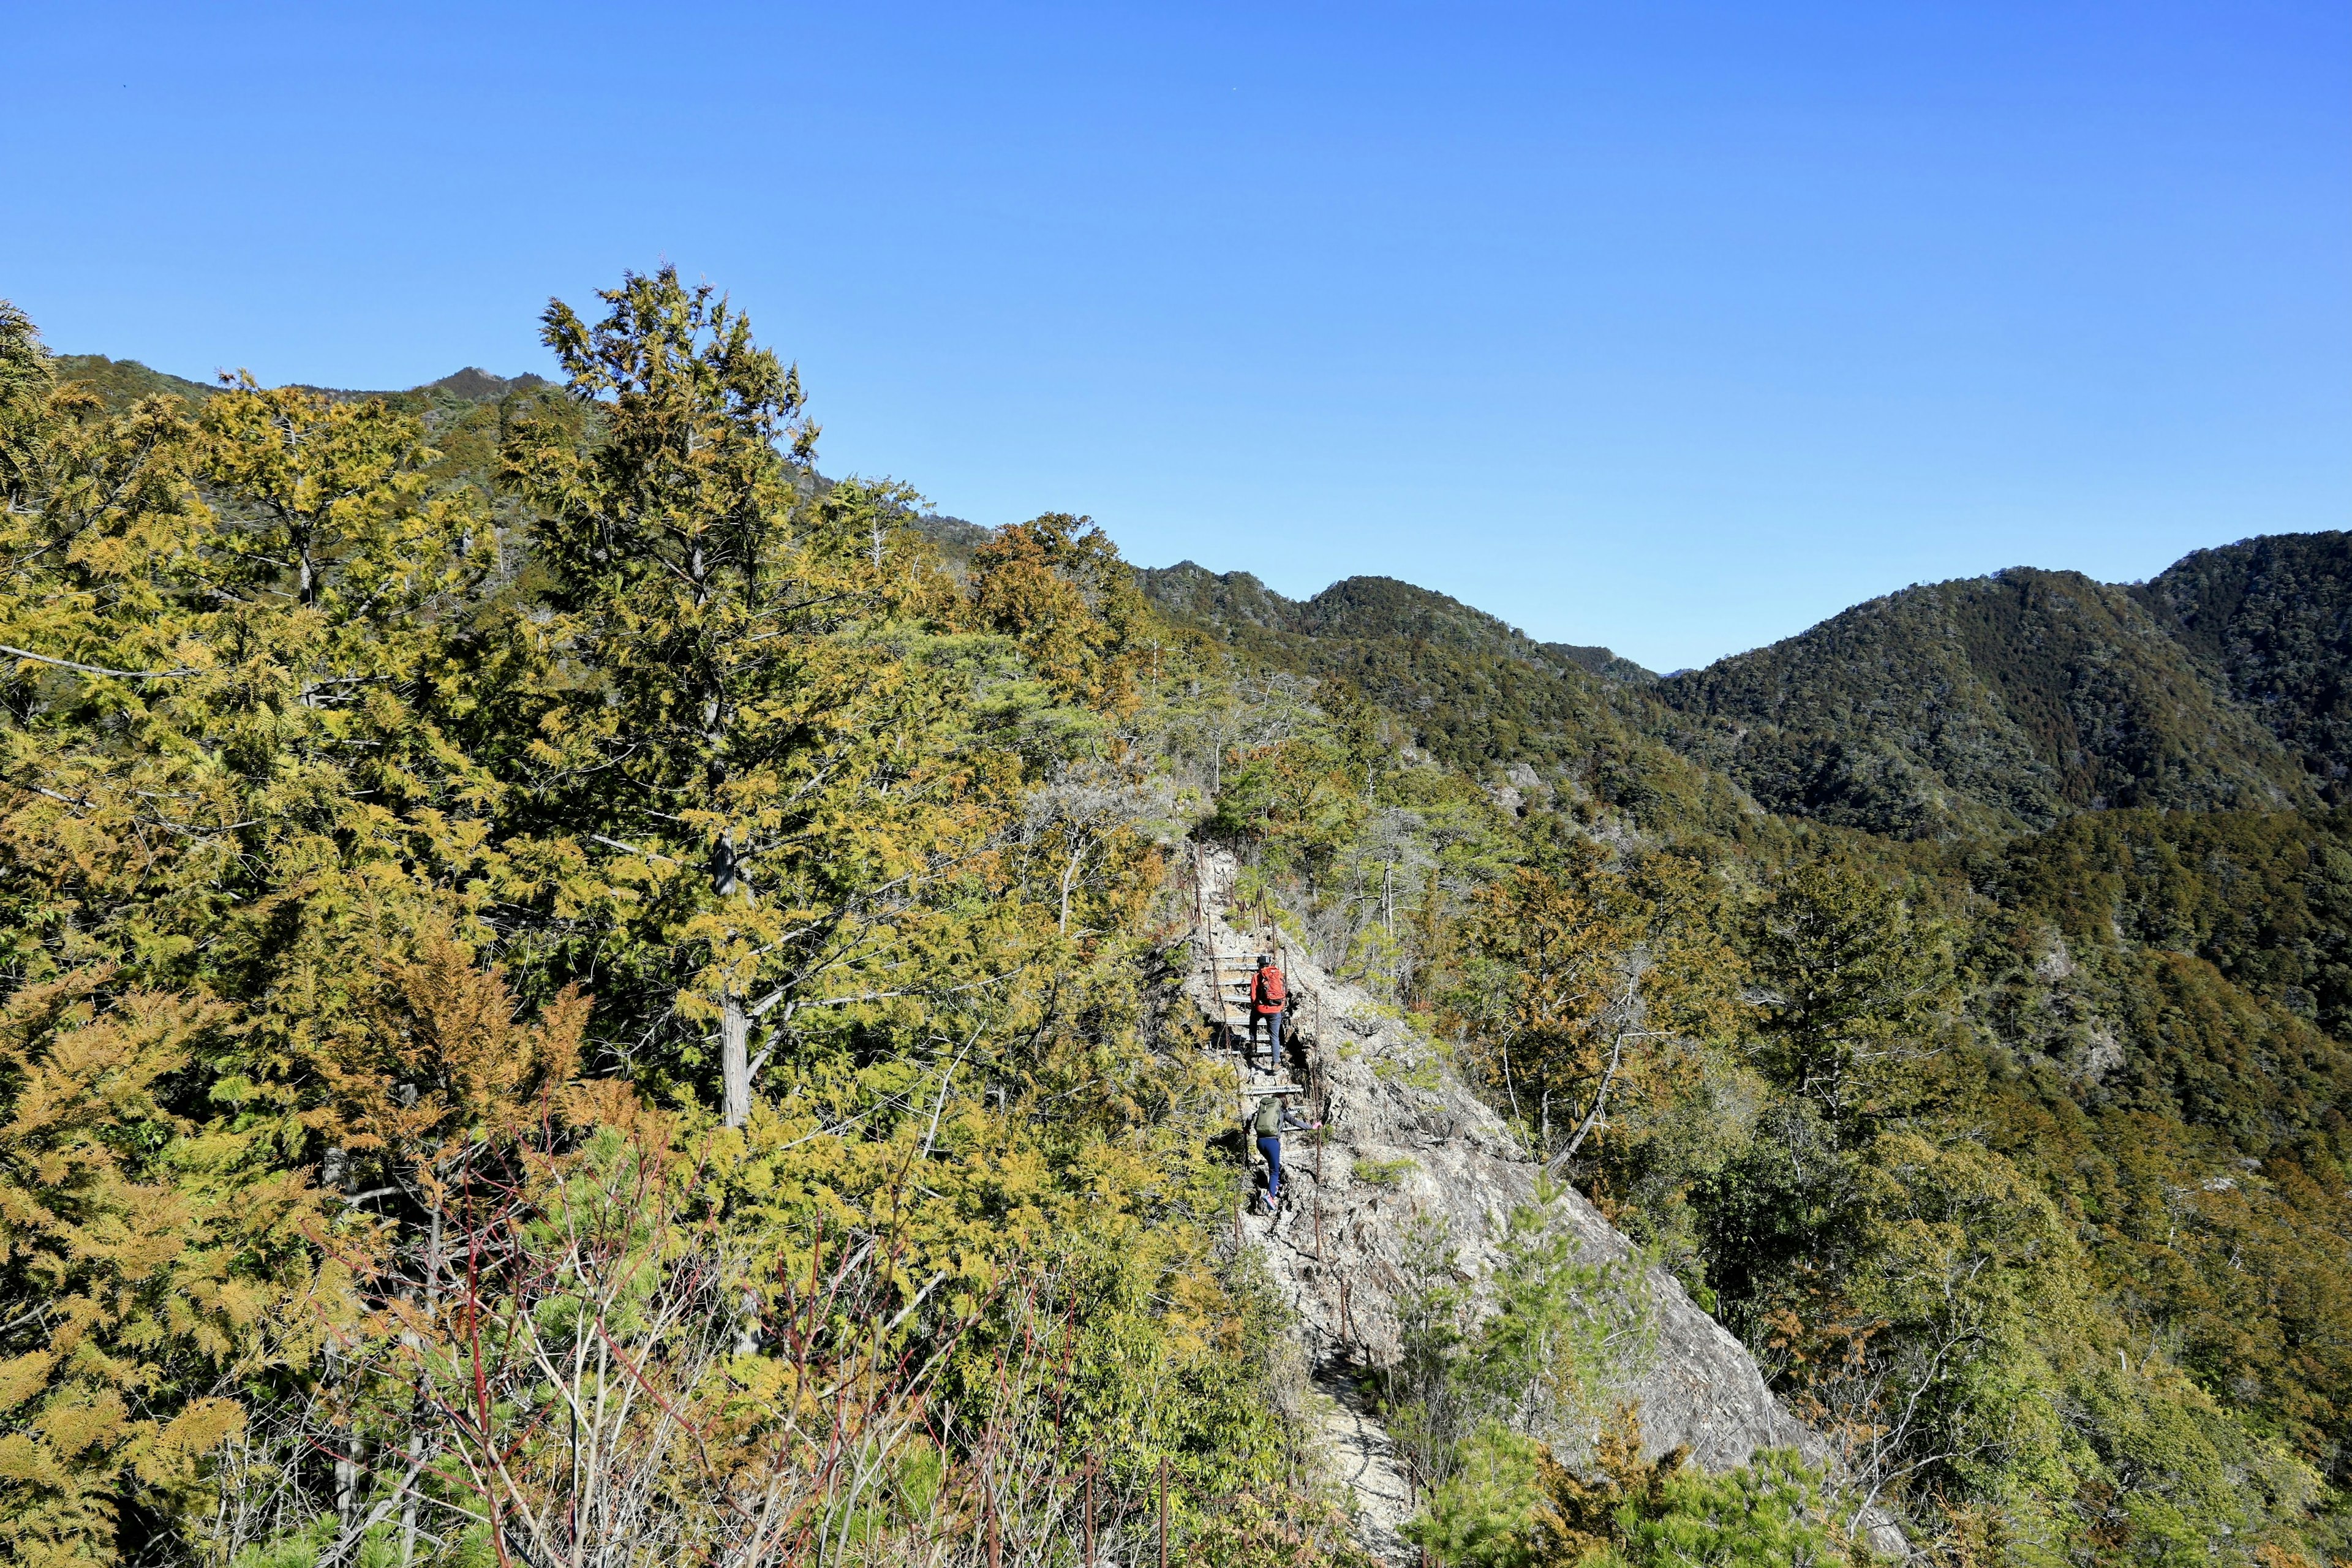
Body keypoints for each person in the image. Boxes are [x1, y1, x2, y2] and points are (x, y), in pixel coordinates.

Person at [1251, 1093, 1320, 1212]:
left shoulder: (1265, 1109)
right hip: (1272, 1143)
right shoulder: (1282, 1111)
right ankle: (1270, 1196)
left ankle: (1276, 1184)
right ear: (1283, 1101)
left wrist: (1247, 1128)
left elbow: (1250, 1117)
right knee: (1274, 1171)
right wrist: (1311, 1127)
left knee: (1273, 1165)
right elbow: (1295, 1122)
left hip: (1260, 1142)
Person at [1249, 952, 1287, 1069]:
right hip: (1276, 1010)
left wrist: (1256, 1006)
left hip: (1261, 1008)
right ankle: (1276, 1063)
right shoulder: (1278, 974)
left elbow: (1253, 997)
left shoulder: (1257, 976)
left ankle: (1253, 1043)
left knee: (1253, 1019)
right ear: (1269, 963)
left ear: (1259, 965)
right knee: (1274, 1037)